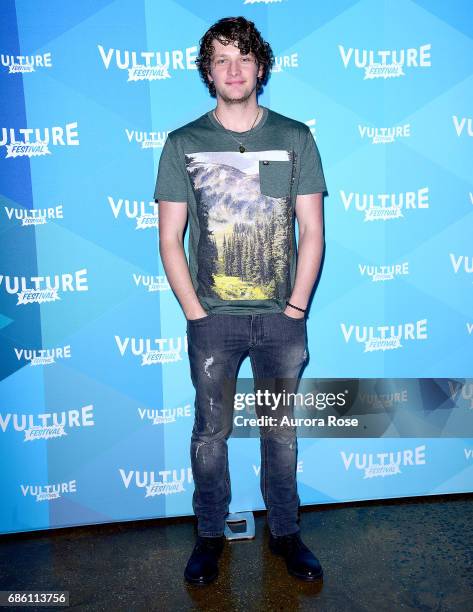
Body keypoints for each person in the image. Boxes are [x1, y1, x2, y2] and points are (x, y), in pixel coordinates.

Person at [154, 16, 327, 585]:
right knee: (210, 435)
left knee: (280, 431)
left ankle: (285, 531)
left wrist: (296, 308)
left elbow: (311, 229)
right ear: (208, 70)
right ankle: (209, 535)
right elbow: (170, 239)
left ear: (261, 67)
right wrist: (195, 313)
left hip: (281, 320)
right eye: (222, 59)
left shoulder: (295, 137)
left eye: (244, 58)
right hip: (213, 322)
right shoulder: (184, 143)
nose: (234, 69)